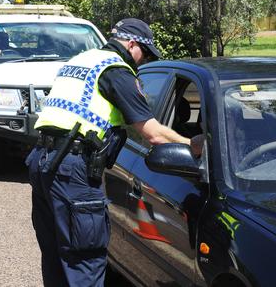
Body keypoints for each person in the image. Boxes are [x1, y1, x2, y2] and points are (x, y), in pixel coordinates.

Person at [26, 18, 204, 286]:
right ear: (132, 44)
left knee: (56, 259)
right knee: (85, 262)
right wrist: (193, 145)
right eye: (144, 54)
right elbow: (153, 133)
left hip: (42, 162)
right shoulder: (116, 71)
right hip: (73, 169)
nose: (142, 62)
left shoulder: (81, 60)